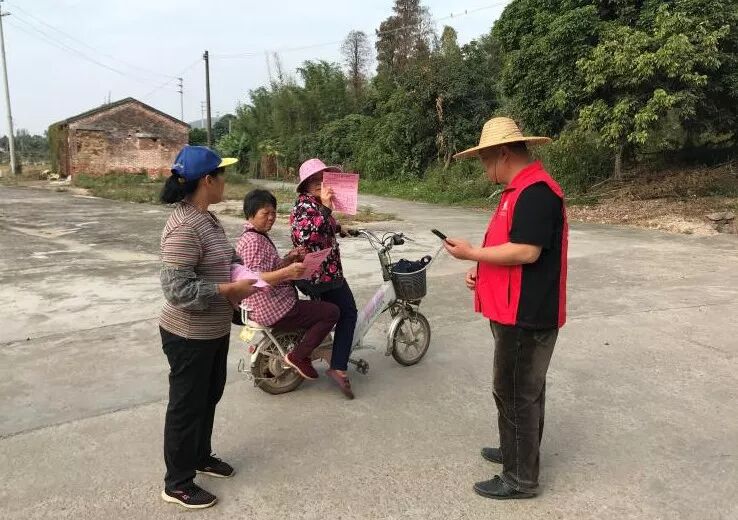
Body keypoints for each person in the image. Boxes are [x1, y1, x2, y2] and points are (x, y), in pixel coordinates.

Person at [443, 117, 568, 500]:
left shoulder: (536, 193)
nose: (484, 169)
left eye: (485, 160)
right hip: (513, 308)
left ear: (503, 153)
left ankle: (519, 478)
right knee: (519, 389)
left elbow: (527, 252)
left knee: (516, 392)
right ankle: (515, 450)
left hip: (527, 314)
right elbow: (509, 247)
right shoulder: (517, 191)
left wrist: (472, 253)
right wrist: (480, 270)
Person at [158, 145, 257, 510]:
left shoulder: (207, 218)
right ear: (207, 181)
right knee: (186, 406)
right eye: (222, 175)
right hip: (188, 335)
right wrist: (228, 290)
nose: (226, 181)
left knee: (208, 396)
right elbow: (177, 289)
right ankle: (177, 482)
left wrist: (255, 273)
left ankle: (200, 456)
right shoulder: (185, 227)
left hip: (213, 330)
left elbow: (227, 259)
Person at [236, 189, 340, 381]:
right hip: (272, 306)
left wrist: (289, 258)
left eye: (273, 213)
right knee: (331, 312)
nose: (271, 218)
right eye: (265, 213)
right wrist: (288, 272)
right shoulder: (253, 241)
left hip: (266, 304)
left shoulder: (256, 235)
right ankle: (298, 357)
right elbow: (254, 279)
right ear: (251, 214)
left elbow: (268, 267)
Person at [289, 158, 357, 399]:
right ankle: (338, 366)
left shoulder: (315, 204)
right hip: (319, 275)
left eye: (324, 179)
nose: (321, 183)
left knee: (334, 313)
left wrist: (339, 228)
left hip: (327, 272)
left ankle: (326, 350)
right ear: (306, 185)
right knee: (347, 312)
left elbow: (324, 224)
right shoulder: (303, 206)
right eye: (315, 180)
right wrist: (327, 209)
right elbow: (307, 235)